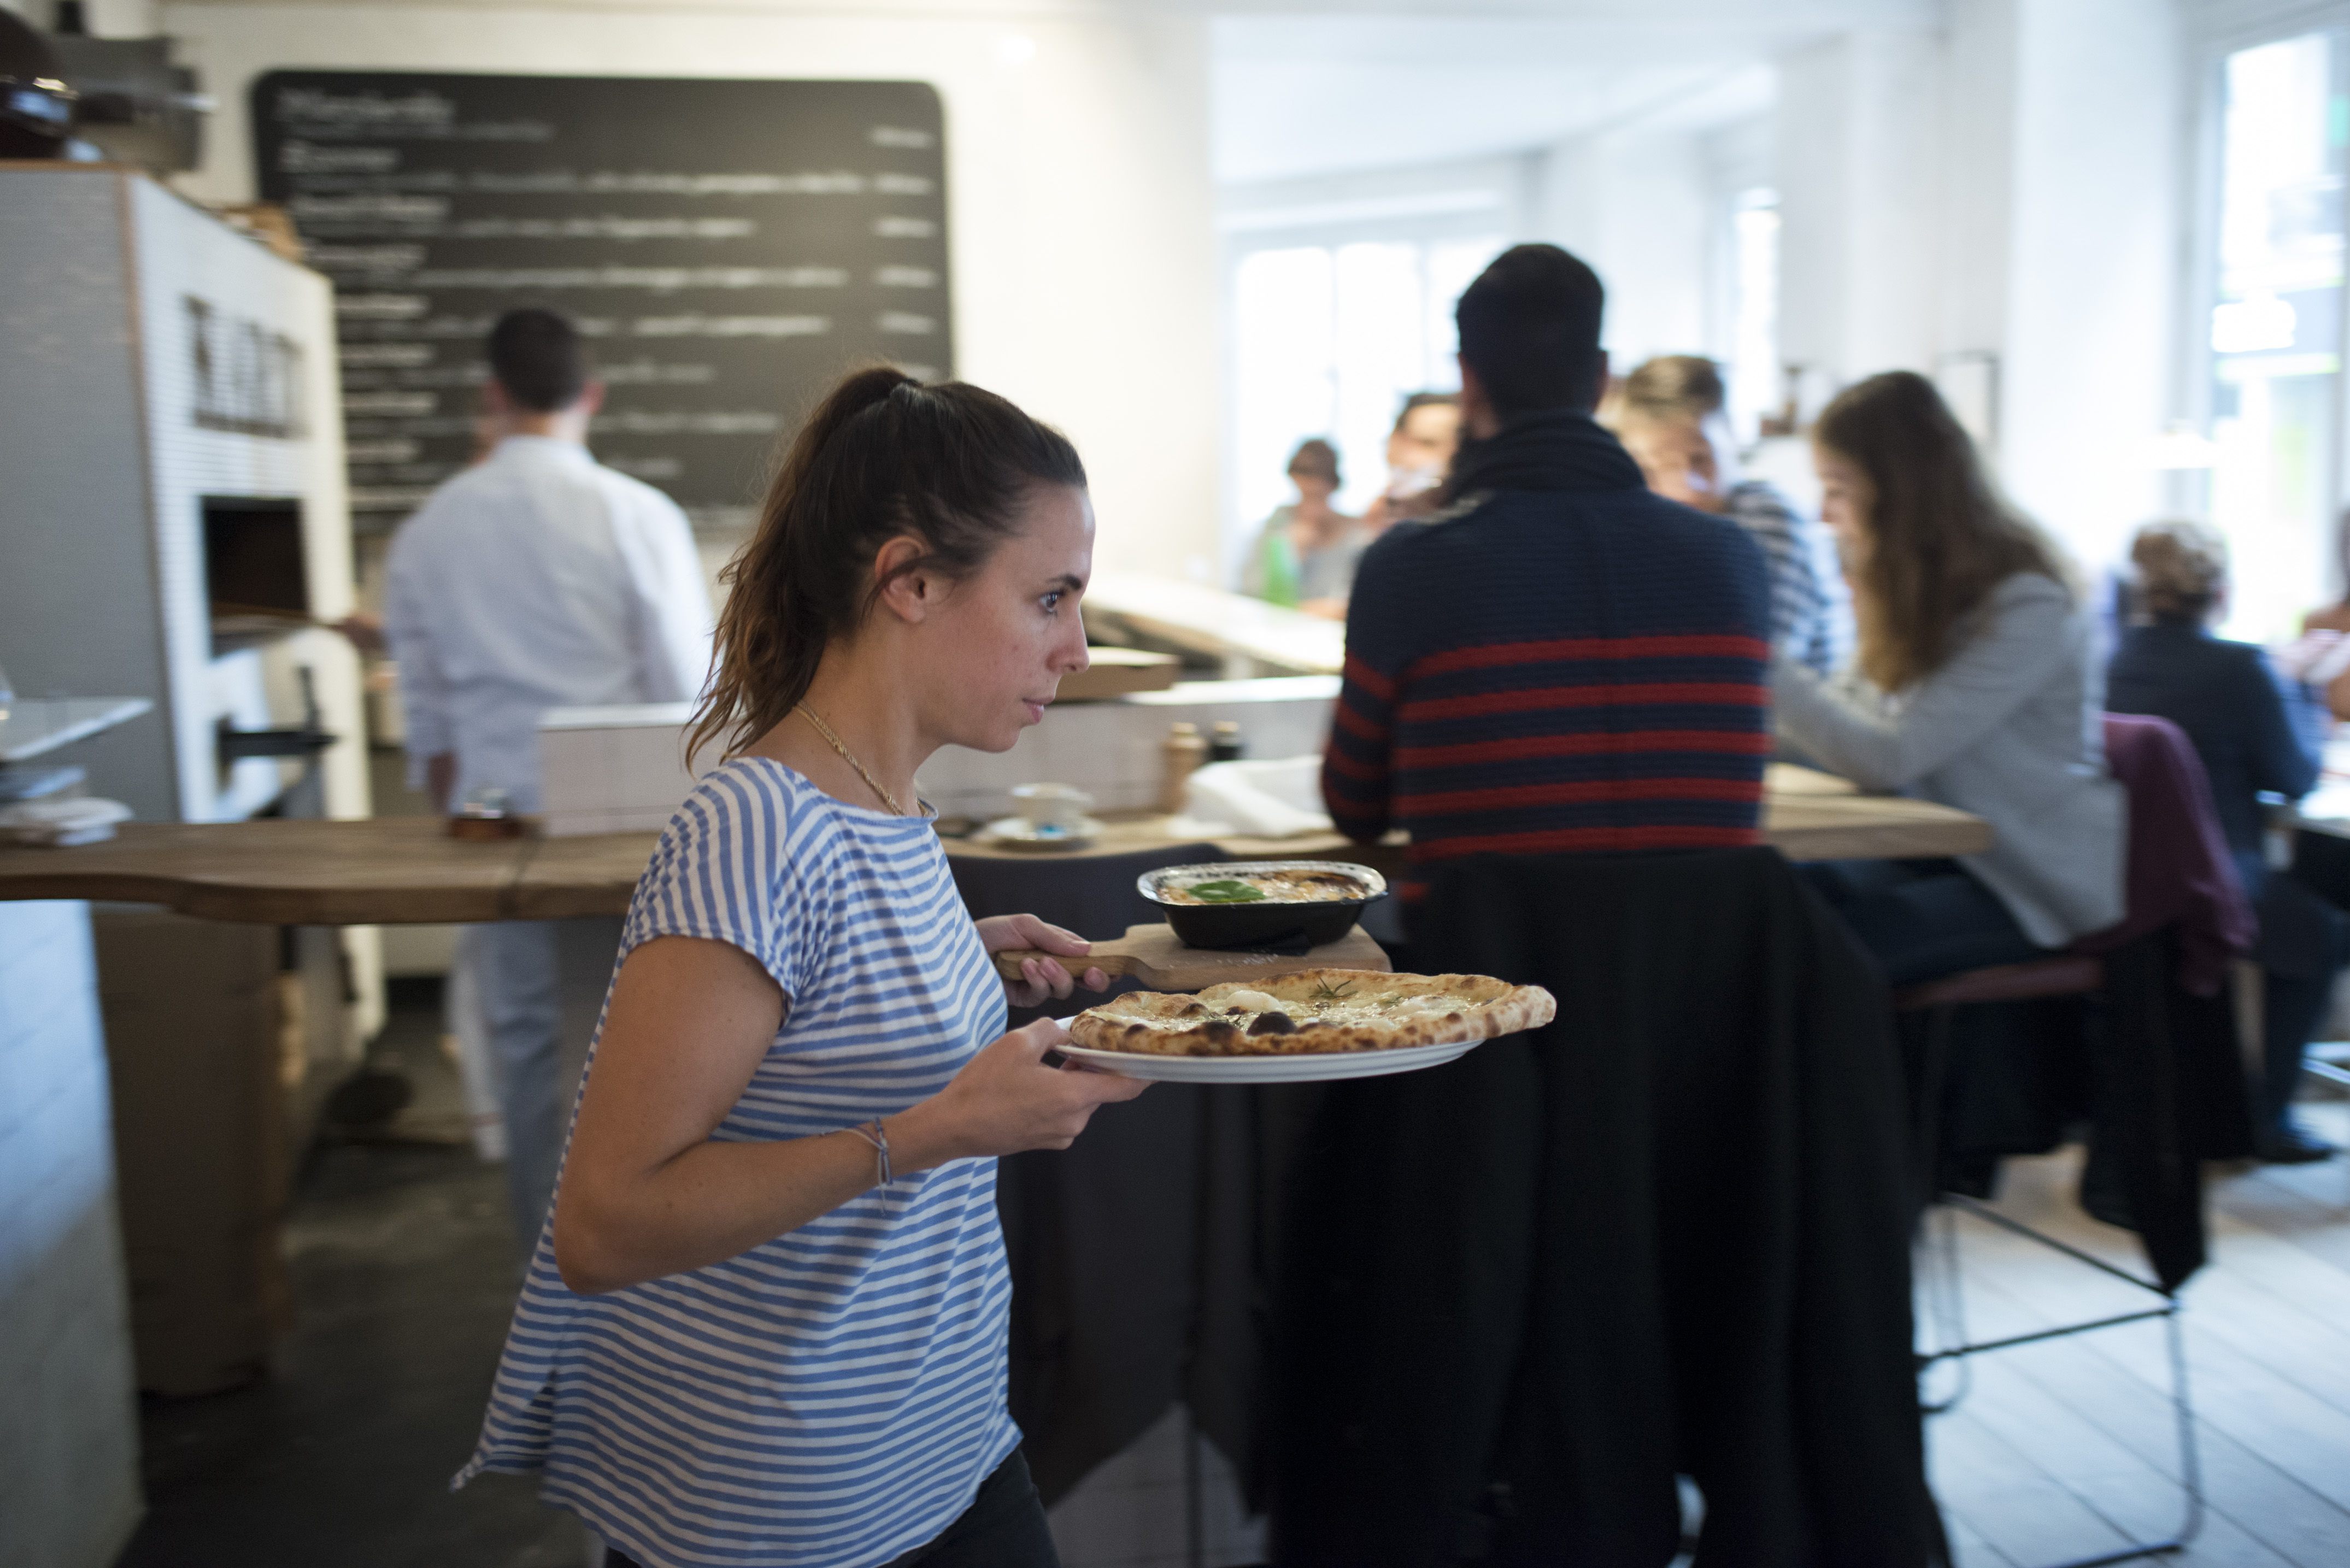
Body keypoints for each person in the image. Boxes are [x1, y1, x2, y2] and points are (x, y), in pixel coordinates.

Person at [456, 368, 1145, 1566]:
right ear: (909, 581)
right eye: (1048, 599)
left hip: (945, 1448)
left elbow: (803, 1011)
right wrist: (935, 1128)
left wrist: (952, 957)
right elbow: (605, 1227)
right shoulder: (755, 829)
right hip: (789, 1509)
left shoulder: (883, 795)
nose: (1075, 648)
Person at [382, 307, 714, 1241]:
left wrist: (462, 836)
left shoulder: (429, 529)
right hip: (633, 825)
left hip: (502, 820)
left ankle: (554, 1257)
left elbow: (433, 720)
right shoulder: (635, 511)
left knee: (531, 1049)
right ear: (591, 396)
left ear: (489, 397)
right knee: (663, 1042)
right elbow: (682, 690)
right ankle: (660, 1251)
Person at [1322, 244, 1773, 910]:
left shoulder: (1411, 565)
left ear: (1467, 382)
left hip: (1483, 998)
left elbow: (1355, 807)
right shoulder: (1732, 556)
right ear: (1601, 380)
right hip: (1704, 990)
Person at [1773, 371, 2125, 985]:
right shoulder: (1918, 594)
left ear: (1899, 489)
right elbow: (1847, 732)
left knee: (1814, 960)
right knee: (1766, 907)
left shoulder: (2027, 602)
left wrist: (1751, 653)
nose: (1823, 513)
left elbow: (1889, 756)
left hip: (2021, 880)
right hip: (1927, 855)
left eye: (1837, 487)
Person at [2105, 521, 2341, 1163]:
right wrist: (2296, 683)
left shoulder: (2111, 659)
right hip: (2209, 886)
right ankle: (2265, 1116)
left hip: (2123, 879)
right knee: (2321, 930)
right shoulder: (2240, 668)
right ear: (2222, 592)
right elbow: (2293, 774)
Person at [1609, 354, 1853, 677]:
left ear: (1732, 447)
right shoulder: (1634, 524)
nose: (1687, 488)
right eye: (1659, 468)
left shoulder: (1768, 520)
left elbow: (1752, 675)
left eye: (1702, 460)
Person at [1239, 437, 1363, 617]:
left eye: (1318, 496)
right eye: (1303, 494)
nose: (1309, 507)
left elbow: (1350, 604)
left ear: (1333, 486)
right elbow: (1250, 590)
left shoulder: (1356, 534)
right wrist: (1289, 556)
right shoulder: (1279, 523)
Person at [1358, 391, 1462, 539]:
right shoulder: (1358, 534)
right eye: (1428, 443)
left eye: (1461, 449)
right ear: (1394, 445)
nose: (1447, 460)